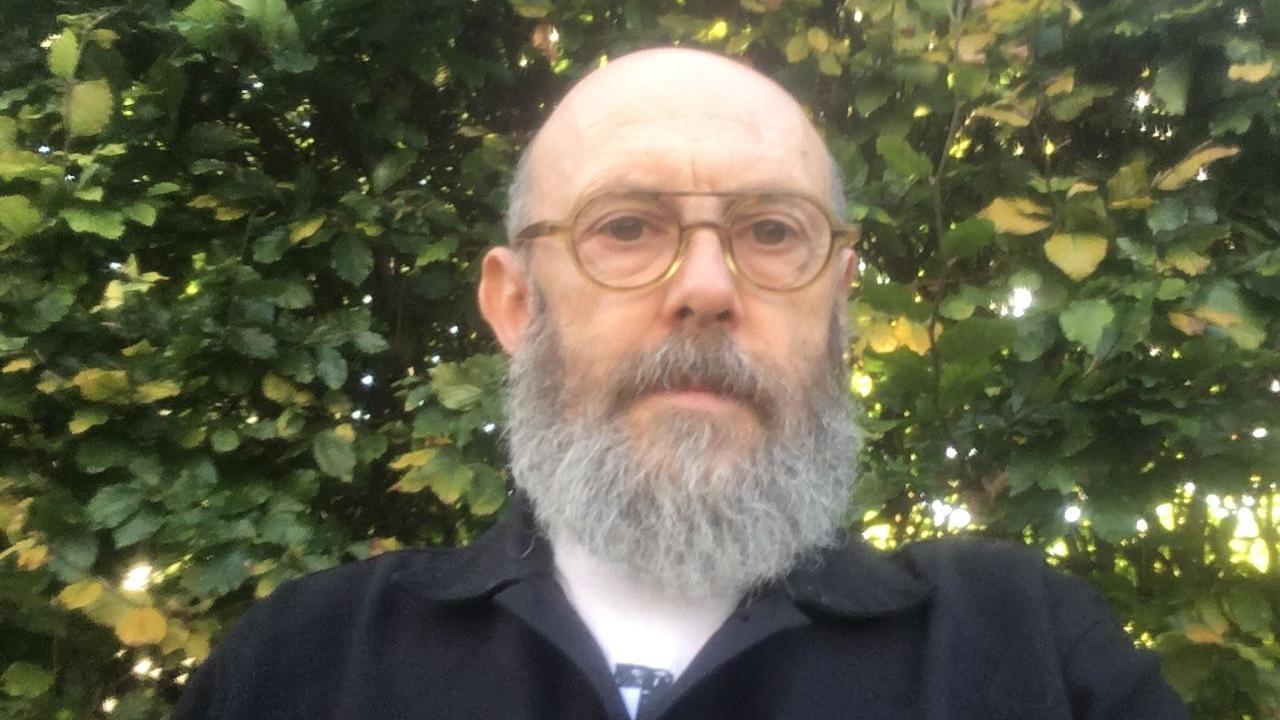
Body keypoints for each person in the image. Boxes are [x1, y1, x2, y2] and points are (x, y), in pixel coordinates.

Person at [171, 47, 1188, 720]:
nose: (704, 286)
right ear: (515, 303)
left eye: (769, 232)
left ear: (835, 304)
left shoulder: (1031, 656)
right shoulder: (301, 666)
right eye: (625, 227)